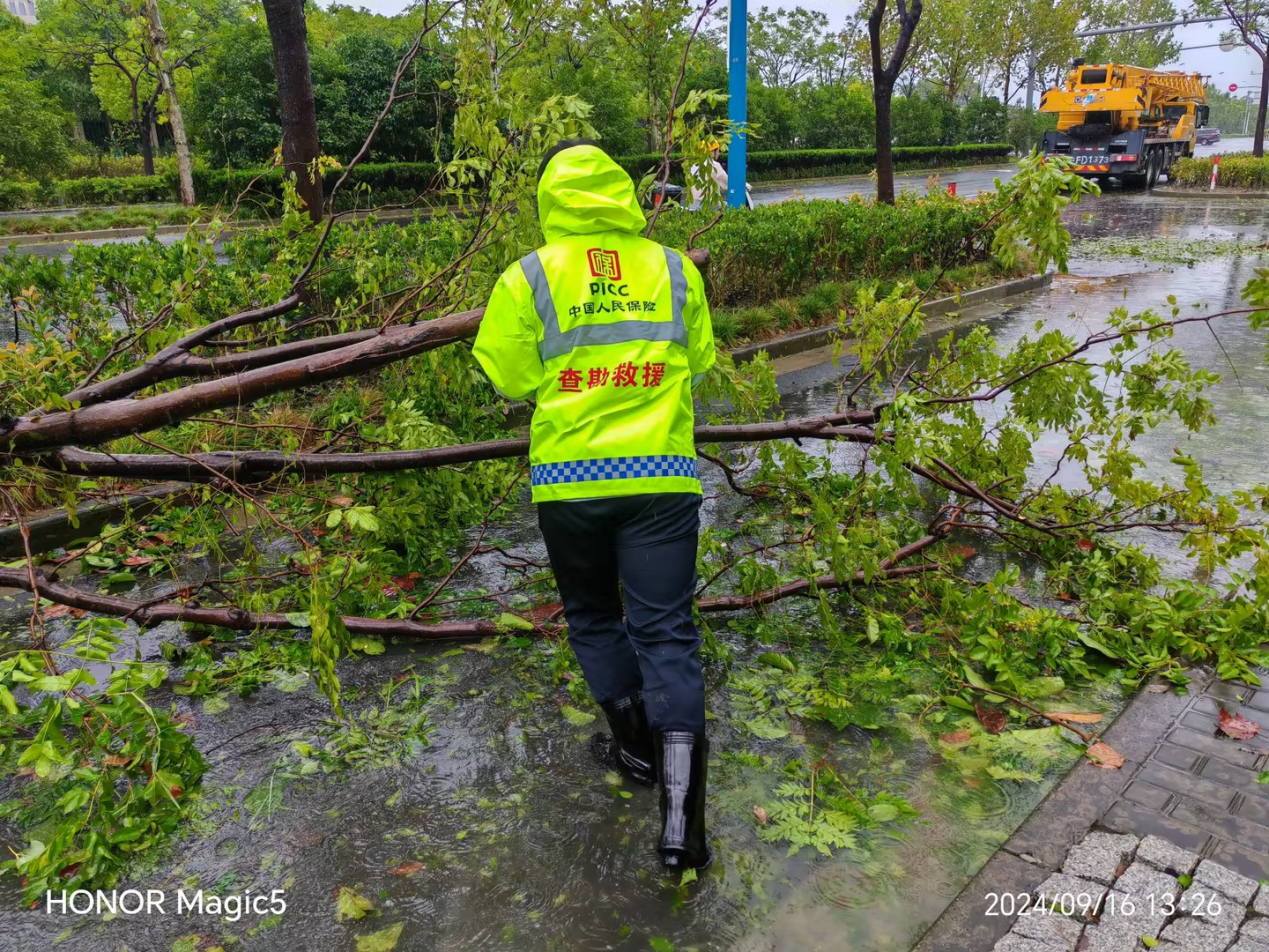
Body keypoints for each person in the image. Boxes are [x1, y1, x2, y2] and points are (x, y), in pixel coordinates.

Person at [472, 140, 716, 871]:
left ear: (550, 200)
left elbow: (510, 379)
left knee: (591, 618)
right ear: (623, 196)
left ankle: (634, 749)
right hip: (660, 478)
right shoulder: (672, 268)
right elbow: (698, 359)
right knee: (666, 633)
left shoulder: (526, 277)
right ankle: (682, 826)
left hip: (570, 483)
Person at [687, 140, 753, 211]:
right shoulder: (714, 165)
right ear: (713, 152)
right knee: (732, 208)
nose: (719, 153)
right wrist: (745, 185)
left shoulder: (694, 166)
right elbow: (728, 182)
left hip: (693, 203)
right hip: (708, 203)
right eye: (718, 150)